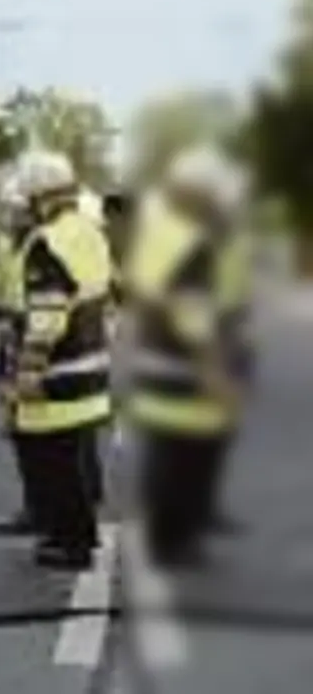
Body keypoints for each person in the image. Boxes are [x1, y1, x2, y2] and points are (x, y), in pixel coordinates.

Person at [124, 144, 251, 567]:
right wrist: (215, 371)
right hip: (186, 370)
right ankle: (173, 541)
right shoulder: (191, 242)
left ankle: (178, 532)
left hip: (176, 365)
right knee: (181, 460)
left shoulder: (188, 234)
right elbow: (194, 316)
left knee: (179, 457)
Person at [4, 148, 114, 570]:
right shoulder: (88, 232)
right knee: (69, 460)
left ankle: (70, 544)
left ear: (40, 196)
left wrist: (30, 370)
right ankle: (76, 536)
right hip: (90, 366)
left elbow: (47, 312)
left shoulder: (48, 243)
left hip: (59, 369)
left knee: (51, 460)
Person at [0, 173, 40, 537]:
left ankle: (41, 508)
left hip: (29, 340)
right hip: (9, 338)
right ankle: (34, 505)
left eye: (14, 210)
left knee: (35, 430)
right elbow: (3, 296)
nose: (7, 217)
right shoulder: (9, 247)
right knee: (18, 430)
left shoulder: (40, 245)